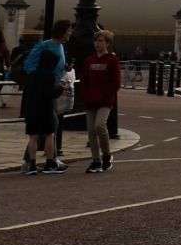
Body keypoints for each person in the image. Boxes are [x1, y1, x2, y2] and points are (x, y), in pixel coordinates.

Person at [22, 20, 73, 174]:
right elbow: (29, 65)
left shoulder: (61, 47)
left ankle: (31, 162)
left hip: (49, 89)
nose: (71, 33)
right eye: (69, 30)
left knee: (41, 129)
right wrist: (42, 82)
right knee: (51, 126)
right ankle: (46, 161)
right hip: (46, 91)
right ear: (62, 31)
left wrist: (65, 68)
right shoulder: (45, 45)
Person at [78, 30, 121, 173]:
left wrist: (105, 95)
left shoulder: (112, 60)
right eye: (96, 41)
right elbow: (84, 79)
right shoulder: (89, 60)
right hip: (90, 100)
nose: (97, 43)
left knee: (99, 126)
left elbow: (116, 82)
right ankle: (96, 160)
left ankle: (107, 154)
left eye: (101, 41)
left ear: (107, 43)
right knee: (91, 131)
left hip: (105, 100)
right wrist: (85, 94)